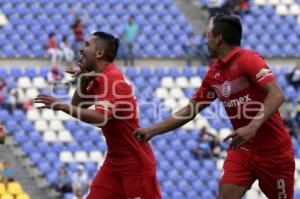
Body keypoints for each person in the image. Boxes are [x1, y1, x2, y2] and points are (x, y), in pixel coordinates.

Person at [134, 15, 295, 199]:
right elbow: (189, 111)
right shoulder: (214, 74)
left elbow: (277, 94)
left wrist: (252, 127)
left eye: (208, 35)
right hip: (242, 150)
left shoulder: (248, 60)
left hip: (274, 154)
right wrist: (152, 131)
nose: (205, 40)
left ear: (218, 38)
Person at [34, 31, 161, 199]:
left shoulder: (113, 79)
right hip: (114, 163)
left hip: (135, 166)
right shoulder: (99, 77)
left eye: (87, 45)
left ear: (100, 53)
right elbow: (78, 107)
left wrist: (61, 105)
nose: (81, 49)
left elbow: (101, 118)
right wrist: (84, 80)